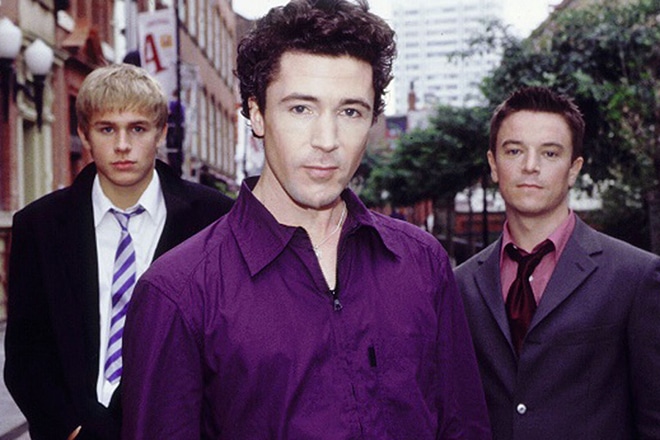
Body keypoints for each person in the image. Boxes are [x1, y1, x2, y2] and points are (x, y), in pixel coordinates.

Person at [121, 0, 491, 438]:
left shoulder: (423, 262)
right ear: (257, 113)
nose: (327, 140)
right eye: (301, 108)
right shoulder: (178, 293)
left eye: (350, 111)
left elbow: (464, 427)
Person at [3, 63, 234, 440]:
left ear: (161, 132)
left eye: (137, 128)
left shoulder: (215, 219)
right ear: (84, 134)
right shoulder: (39, 225)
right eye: (107, 129)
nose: (122, 145)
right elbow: (26, 353)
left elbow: (228, 346)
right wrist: (72, 430)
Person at [455, 86, 660, 439]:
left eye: (550, 153)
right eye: (514, 151)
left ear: (573, 168)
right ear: (493, 164)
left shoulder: (635, 276)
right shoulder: (461, 284)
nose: (530, 166)